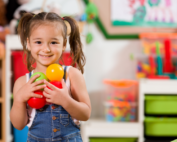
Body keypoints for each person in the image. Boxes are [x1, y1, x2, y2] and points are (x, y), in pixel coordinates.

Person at [10, 12, 91, 142]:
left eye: (53, 42)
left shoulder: (72, 75)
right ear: (29, 44)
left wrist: (66, 100)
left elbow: (86, 114)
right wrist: (19, 99)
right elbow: (18, 125)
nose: (46, 49)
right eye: (38, 42)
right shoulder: (22, 82)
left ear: (64, 44)